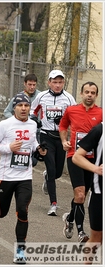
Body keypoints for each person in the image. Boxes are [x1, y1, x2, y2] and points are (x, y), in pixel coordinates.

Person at [0, 93, 47, 264]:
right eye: (20, 106)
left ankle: (20, 250)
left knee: (23, 210)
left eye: (26, 106)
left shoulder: (33, 124)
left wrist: (39, 150)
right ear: (14, 107)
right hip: (6, 175)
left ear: (29, 108)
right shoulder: (5, 125)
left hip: (25, 176)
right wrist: (8, 147)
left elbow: (33, 143)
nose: (23, 109)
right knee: (2, 213)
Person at [58, 81, 102, 243]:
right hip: (74, 156)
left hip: (92, 160)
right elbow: (62, 126)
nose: (89, 95)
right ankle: (81, 232)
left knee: (81, 198)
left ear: (96, 95)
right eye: (87, 92)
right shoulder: (72, 110)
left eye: (92, 92)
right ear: (81, 94)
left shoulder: (101, 114)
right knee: (80, 194)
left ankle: (69, 218)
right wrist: (64, 141)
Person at [30, 70, 76, 216]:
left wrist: (64, 121)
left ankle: (47, 177)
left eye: (60, 82)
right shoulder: (41, 96)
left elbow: (75, 116)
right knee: (51, 170)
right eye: (54, 82)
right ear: (49, 82)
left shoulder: (69, 98)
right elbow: (32, 110)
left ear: (63, 83)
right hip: (46, 136)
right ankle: (53, 204)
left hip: (61, 138)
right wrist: (35, 120)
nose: (57, 85)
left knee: (57, 173)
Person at [72, 123, 103, 264]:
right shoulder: (100, 130)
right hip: (100, 192)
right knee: (97, 239)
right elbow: (77, 157)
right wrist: (96, 169)